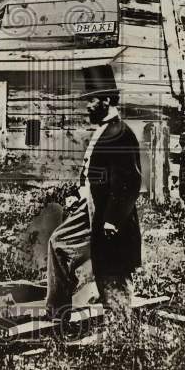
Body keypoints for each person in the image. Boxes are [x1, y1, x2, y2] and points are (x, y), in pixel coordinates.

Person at [45, 64, 142, 336]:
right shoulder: (102, 131)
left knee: (113, 271)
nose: (87, 106)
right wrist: (79, 194)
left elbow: (130, 182)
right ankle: (58, 315)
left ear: (108, 101)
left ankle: (122, 336)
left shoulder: (121, 134)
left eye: (92, 100)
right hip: (91, 209)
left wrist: (112, 220)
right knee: (59, 244)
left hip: (111, 217)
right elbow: (95, 176)